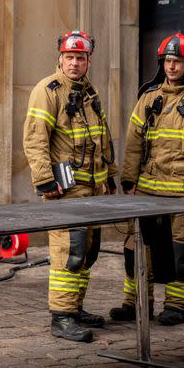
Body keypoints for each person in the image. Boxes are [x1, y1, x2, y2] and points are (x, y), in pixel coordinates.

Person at [23, 30, 118, 343]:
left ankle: (75, 308)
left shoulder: (88, 91)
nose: (74, 63)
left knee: (87, 252)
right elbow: (35, 139)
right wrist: (44, 179)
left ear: (88, 60)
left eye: (80, 58)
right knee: (68, 252)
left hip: (91, 188)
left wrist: (110, 174)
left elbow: (102, 136)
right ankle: (61, 317)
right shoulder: (47, 90)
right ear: (59, 58)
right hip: (64, 190)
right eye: (69, 57)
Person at [109, 33, 184, 326]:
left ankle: (177, 306)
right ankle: (135, 303)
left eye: (177, 61)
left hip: (183, 192)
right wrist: (129, 180)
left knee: (181, 250)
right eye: (167, 61)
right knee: (136, 248)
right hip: (147, 189)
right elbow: (133, 141)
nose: (171, 67)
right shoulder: (149, 97)